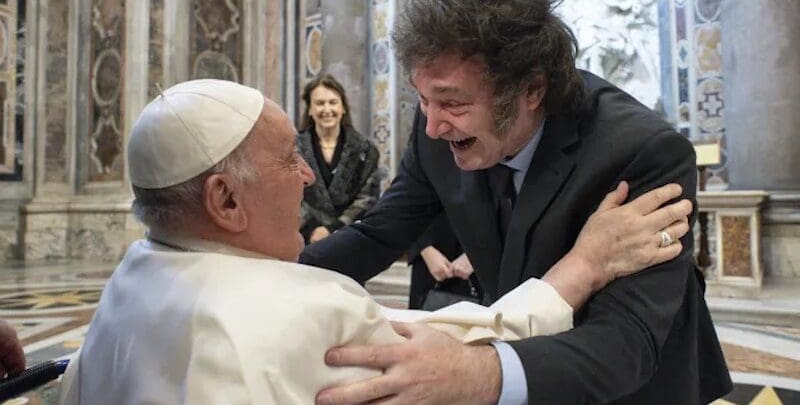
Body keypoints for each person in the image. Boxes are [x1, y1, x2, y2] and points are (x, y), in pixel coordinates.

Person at [57, 79, 691, 404]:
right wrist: (581, 266)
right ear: (226, 200)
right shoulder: (301, 311)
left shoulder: (131, 278)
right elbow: (461, 346)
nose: (306, 174)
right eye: (287, 160)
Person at [300, 0, 732, 404]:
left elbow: (626, 340)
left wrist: (478, 373)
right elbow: (378, 234)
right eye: (423, 99)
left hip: (631, 385)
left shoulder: (642, 153)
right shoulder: (437, 124)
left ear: (530, 91)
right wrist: (274, 279)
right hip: (522, 365)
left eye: (451, 103)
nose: (431, 126)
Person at [298, 74, 381, 244]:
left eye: (333, 102)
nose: (327, 109)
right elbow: (285, 193)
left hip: (350, 240)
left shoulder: (366, 150)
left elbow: (368, 199)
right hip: (303, 239)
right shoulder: (292, 149)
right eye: (320, 103)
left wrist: (333, 228)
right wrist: (311, 228)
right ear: (310, 109)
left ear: (343, 107)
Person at [407, 213, 482, 310]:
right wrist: (424, 248)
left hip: (484, 256)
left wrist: (477, 254)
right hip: (430, 256)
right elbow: (405, 209)